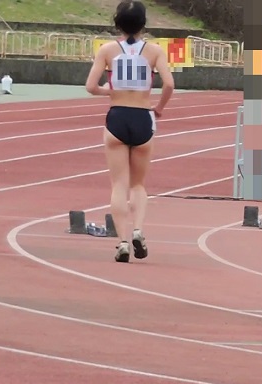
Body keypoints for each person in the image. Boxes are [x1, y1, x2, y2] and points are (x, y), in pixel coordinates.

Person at [84, 0, 174, 263]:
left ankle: (122, 242)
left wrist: (107, 91)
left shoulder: (108, 50)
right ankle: (138, 230)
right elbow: (169, 84)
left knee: (118, 184)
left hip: (117, 117)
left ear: (117, 23)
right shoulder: (155, 51)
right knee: (138, 184)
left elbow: (90, 86)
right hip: (143, 116)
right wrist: (159, 107)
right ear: (144, 24)